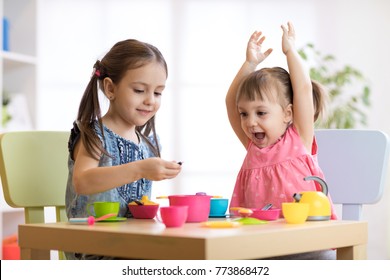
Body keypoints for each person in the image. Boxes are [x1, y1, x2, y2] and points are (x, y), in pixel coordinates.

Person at [225, 22, 337, 259]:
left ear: (288, 113)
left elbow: (304, 89)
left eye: (261, 113)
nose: (250, 122)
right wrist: (250, 64)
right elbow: (230, 102)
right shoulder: (253, 147)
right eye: (245, 114)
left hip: (308, 246)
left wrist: (290, 52)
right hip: (260, 248)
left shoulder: (299, 138)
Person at [65, 39, 182, 259]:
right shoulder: (94, 134)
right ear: (110, 88)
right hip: (94, 249)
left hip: (133, 245)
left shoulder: (150, 143)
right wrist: (140, 169)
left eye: (158, 93)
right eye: (139, 90)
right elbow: (83, 181)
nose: (150, 101)